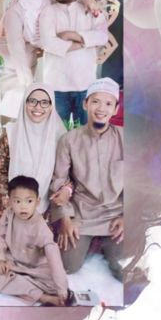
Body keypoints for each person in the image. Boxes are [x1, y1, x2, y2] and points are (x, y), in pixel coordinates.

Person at [49, 77, 124, 280]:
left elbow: (137, 181)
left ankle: (105, 244)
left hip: (116, 216)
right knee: (67, 266)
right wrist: (65, 219)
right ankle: (93, 241)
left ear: (115, 109)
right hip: (82, 216)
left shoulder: (125, 138)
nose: (101, 108)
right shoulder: (69, 140)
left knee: (125, 269)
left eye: (108, 103)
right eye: (95, 101)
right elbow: (59, 182)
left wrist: (128, 217)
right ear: (85, 104)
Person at [0, 82, 67, 234]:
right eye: (32, 101)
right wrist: (10, 199)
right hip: (10, 199)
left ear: (51, 106)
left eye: (44, 102)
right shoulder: (10, 133)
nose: (38, 107)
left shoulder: (60, 138)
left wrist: (62, 192)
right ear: (24, 103)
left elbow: (65, 174)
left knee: (40, 242)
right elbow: (0, 170)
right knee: (5, 236)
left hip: (44, 203)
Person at [38, 0, 108, 126]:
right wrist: (84, 43)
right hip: (56, 86)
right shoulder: (48, 12)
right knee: (56, 133)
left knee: (86, 133)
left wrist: (70, 34)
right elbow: (48, 44)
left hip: (86, 84)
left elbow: (102, 36)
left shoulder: (90, 9)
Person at [0, 175, 69, 306]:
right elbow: (0, 236)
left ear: (37, 202)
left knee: (54, 283)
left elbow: (54, 258)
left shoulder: (41, 227)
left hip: (35, 267)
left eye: (29, 201)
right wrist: (0, 259)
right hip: (13, 262)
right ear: (10, 202)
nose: (23, 207)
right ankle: (44, 297)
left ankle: (14, 287)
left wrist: (62, 289)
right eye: (17, 201)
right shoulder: (8, 214)